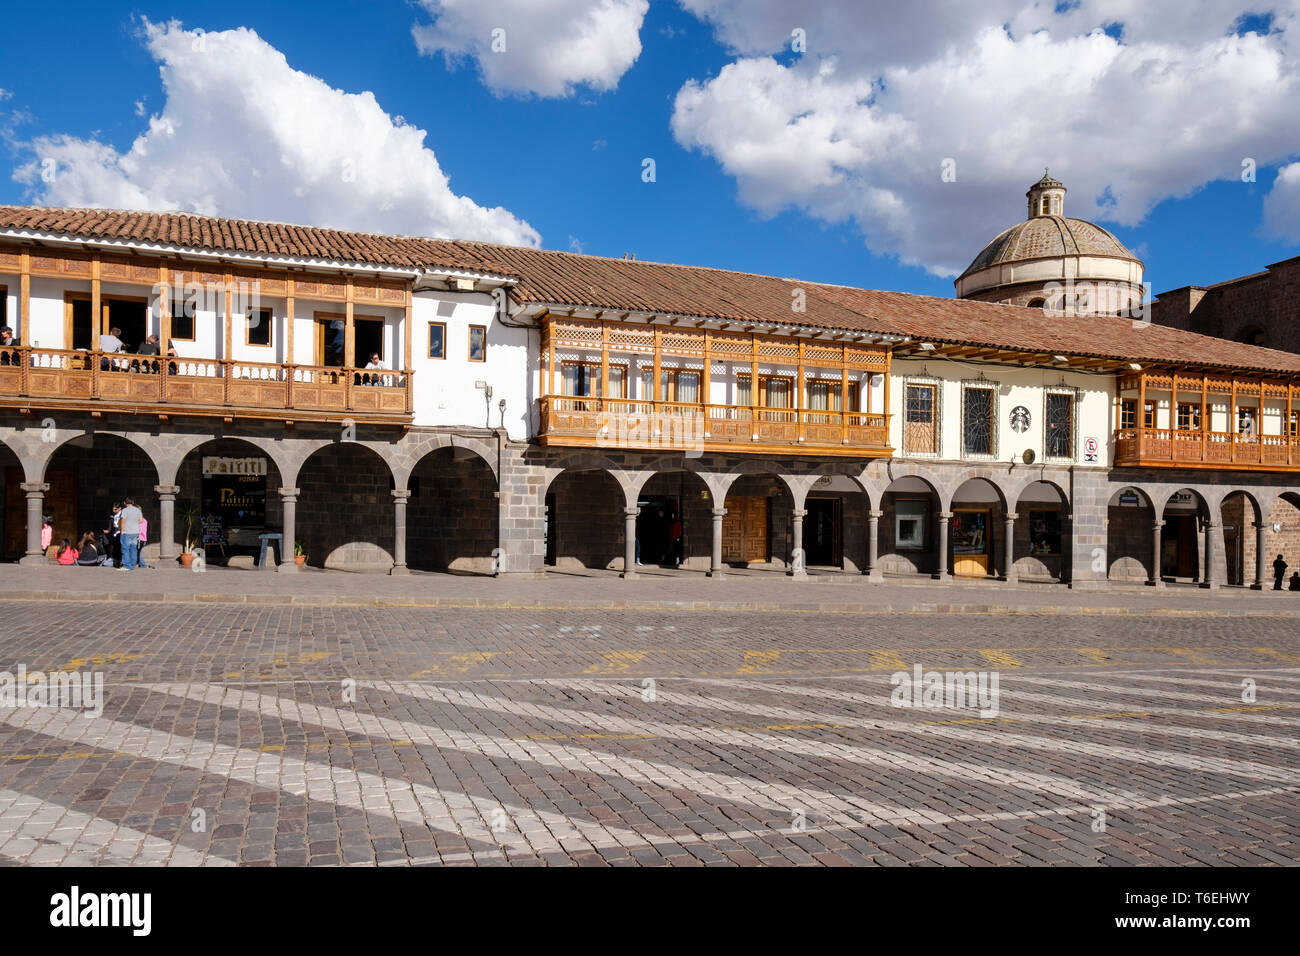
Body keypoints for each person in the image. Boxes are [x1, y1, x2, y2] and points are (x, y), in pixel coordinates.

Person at [117, 496, 144, 571]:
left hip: (127, 532)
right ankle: (132, 565)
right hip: (136, 532)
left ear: (124, 503)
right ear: (133, 502)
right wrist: (134, 523)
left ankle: (126, 566)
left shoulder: (125, 510)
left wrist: (122, 530)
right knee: (134, 549)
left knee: (125, 549)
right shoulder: (138, 510)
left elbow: (123, 520)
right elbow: (141, 520)